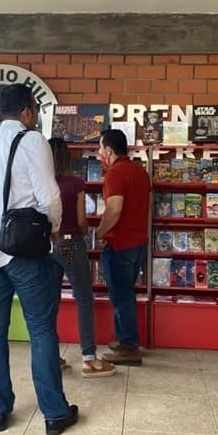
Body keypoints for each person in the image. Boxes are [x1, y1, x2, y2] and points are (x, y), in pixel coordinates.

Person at [0, 83, 78, 435]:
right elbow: (49, 196)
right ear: (28, 112)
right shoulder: (32, 140)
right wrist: (56, 228)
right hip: (25, 252)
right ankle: (54, 413)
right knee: (42, 329)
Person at [48, 137, 115, 378]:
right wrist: (84, 232)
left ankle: (51, 357)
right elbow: (81, 223)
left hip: (48, 246)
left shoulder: (41, 184)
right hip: (70, 244)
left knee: (50, 303)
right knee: (84, 298)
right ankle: (88, 358)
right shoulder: (75, 183)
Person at [96, 129, 151, 366]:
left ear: (109, 150)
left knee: (121, 297)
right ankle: (124, 341)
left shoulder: (114, 174)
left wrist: (99, 232)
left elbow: (114, 208)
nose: (99, 153)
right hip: (139, 243)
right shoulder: (140, 172)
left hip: (120, 244)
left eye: (100, 148)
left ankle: (128, 346)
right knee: (126, 293)